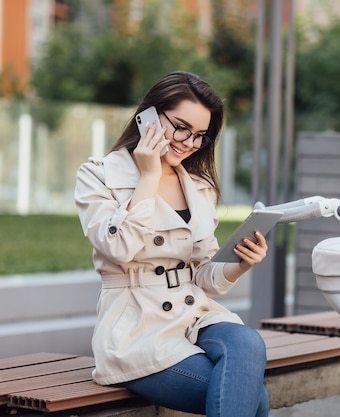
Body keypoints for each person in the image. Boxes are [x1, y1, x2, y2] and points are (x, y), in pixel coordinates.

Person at [74, 71, 270, 417]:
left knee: (248, 341)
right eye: (180, 126)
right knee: (254, 398)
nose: (187, 143)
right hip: (137, 327)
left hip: (193, 315)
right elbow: (117, 248)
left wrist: (241, 263)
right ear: (147, 115)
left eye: (199, 136)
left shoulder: (199, 186)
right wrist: (148, 176)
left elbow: (203, 274)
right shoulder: (99, 174)